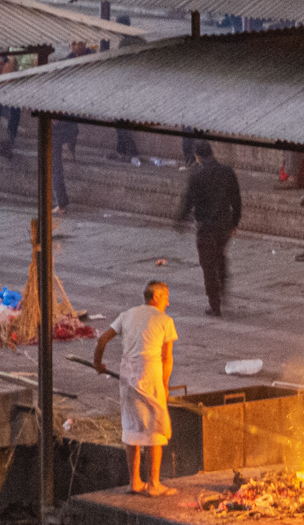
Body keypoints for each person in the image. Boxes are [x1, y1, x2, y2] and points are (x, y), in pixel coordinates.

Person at [92, 282, 179, 497]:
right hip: (150, 375)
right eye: (166, 296)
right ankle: (154, 484)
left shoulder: (127, 315)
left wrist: (97, 363)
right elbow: (167, 359)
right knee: (155, 426)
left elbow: (102, 339)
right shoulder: (165, 320)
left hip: (127, 376)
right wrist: (165, 386)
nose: (168, 301)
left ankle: (134, 482)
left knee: (132, 427)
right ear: (157, 296)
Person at [174, 142, 241, 316]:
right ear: (213, 153)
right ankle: (223, 291)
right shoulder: (227, 172)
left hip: (205, 227)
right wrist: (235, 222)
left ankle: (214, 303)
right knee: (220, 257)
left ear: (197, 157)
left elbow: (188, 201)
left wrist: (180, 220)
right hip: (224, 226)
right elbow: (236, 200)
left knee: (208, 265)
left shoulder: (196, 175)